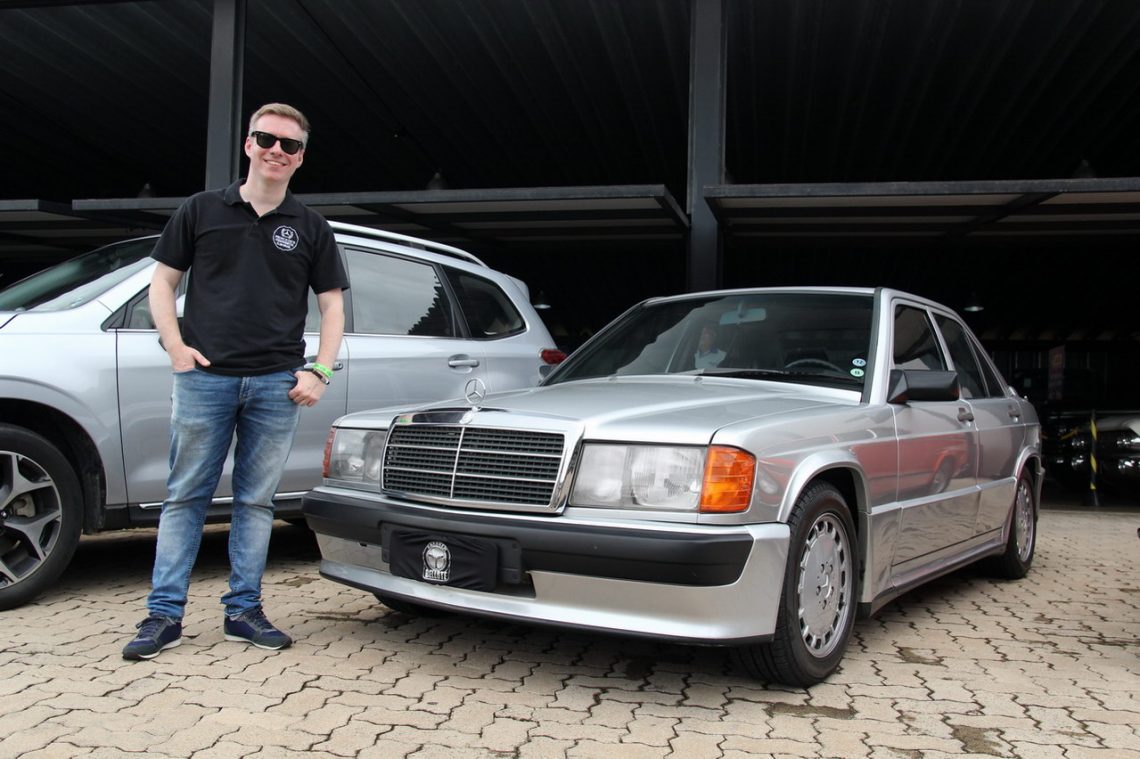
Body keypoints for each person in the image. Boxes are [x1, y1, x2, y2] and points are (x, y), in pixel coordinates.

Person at [122, 103, 349, 660]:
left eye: (290, 145)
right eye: (266, 139)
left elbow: (332, 305)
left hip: (277, 384)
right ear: (248, 144)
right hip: (205, 379)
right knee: (185, 498)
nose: (277, 151)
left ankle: (243, 611)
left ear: (301, 158)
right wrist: (175, 346)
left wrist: (320, 369)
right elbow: (162, 283)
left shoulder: (310, 227)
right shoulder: (201, 209)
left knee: (256, 503)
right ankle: (163, 616)